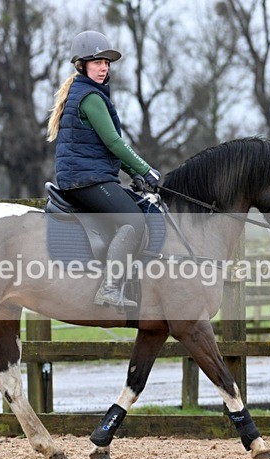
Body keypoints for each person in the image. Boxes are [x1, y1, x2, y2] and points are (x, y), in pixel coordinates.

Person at [46, 30, 161, 310]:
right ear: (82, 65)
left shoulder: (86, 93)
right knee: (133, 221)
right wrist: (146, 170)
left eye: (106, 63)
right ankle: (109, 289)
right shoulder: (91, 97)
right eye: (97, 62)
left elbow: (105, 146)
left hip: (86, 175)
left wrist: (133, 172)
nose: (103, 68)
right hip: (86, 179)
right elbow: (113, 141)